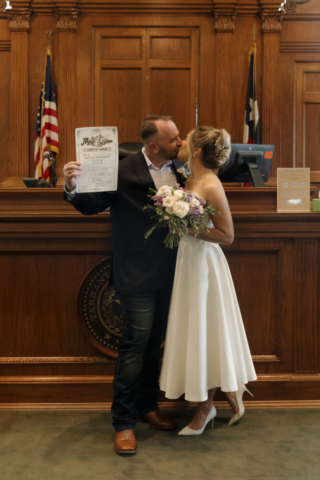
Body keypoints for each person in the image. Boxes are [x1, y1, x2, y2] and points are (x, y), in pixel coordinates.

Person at [63, 115, 184, 455]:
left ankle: (148, 406)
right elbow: (91, 206)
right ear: (153, 145)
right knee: (133, 348)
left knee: (154, 346)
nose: (181, 141)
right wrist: (71, 186)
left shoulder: (183, 170)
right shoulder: (121, 168)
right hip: (136, 273)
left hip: (173, 272)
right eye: (174, 138)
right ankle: (123, 422)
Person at [160, 126, 257, 435]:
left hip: (204, 263)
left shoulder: (211, 184)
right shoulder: (190, 178)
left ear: (197, 150)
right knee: (194, 331)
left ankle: (205, 409)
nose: (180, 145)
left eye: (185, 141)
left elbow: (227, 235)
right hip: (186, 262)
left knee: (206, 331)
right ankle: (228, 392)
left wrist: (189, 229)